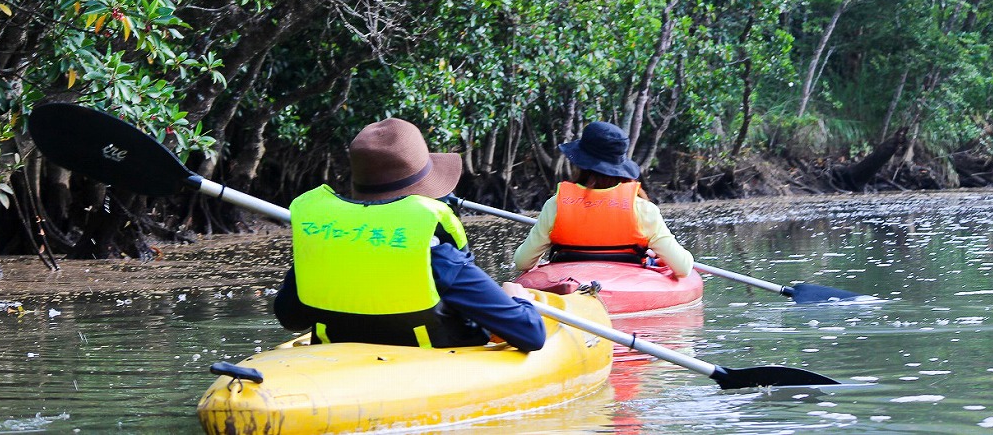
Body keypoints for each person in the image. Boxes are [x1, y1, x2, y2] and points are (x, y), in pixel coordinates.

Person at [274, 117, 546, 351]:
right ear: (423, 194)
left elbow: (291, 319)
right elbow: (531, 334)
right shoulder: (440, 258)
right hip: (426, 367)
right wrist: (518, 299)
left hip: (341, 363)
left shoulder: (323, 251)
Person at [513, 121, 693, 277]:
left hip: (570, 286)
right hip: (625, 288)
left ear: (580, 164)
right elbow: (683, 268)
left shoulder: (555, 205)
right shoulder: (644, 209)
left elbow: (522, 262)